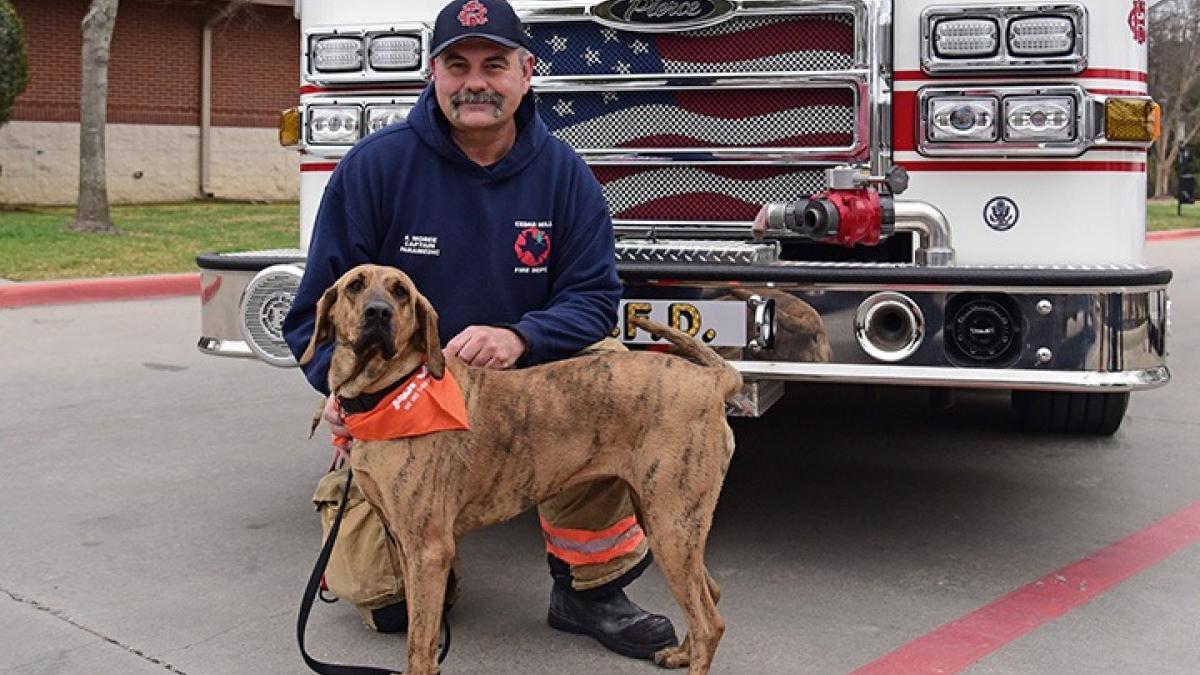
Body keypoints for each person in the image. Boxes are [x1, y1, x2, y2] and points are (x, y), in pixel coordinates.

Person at [280, 0, 678, 660]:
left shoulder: (565, 175)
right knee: (387, 606)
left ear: (527, 73)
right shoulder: (375, 167)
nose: (476, 82)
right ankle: (431, 562)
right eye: (457, 64)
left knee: (605, 374)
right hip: (405, 407)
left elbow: (595, 299)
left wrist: (521, 335)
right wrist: (338, 389)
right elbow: (311, 317)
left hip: (524, 384)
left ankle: (590, 584)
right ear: (432, 74)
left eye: (495, 65)